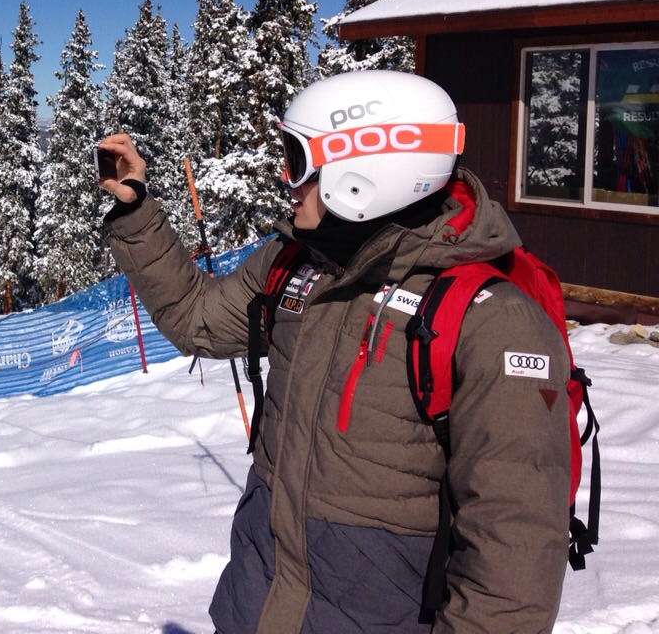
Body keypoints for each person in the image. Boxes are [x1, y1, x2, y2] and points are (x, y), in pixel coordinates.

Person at [97, 70, 570, 634]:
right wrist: (135, 213)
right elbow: (197, 319)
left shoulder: (490, 319)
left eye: (297, 161)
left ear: (364, 172)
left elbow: (513, 559)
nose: (285, 179)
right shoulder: (296, 266)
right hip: (260, 609)